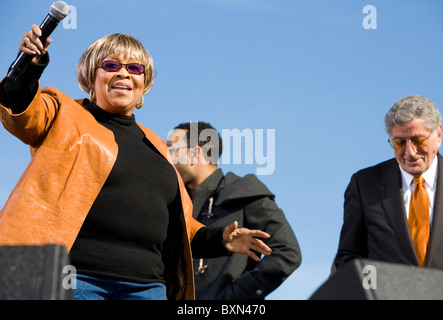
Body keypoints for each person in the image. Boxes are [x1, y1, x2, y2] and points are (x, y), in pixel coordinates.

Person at [0, 24, 272, 300]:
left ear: (144, 84)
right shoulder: (62, 113)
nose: (123, 73)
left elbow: (178, 228)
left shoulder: (157, 146)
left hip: (147, 288)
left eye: (134, 68)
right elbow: (21, 106)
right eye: (110, 65)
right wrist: (29, 67)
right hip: (75, 279)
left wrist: (221, 239)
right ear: (90, 77)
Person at [166, 121, 301, 300]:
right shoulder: (173, 205)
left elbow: (288, 252)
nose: (166, 158)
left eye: (171, 149)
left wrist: (234, 299)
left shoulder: (242, 191)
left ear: (195, 153)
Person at [334, 95, 443, 271]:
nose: (410, 152)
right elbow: (350, 258)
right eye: (399, 142)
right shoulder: (364, 185)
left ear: (438, 135)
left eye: (418, 140)